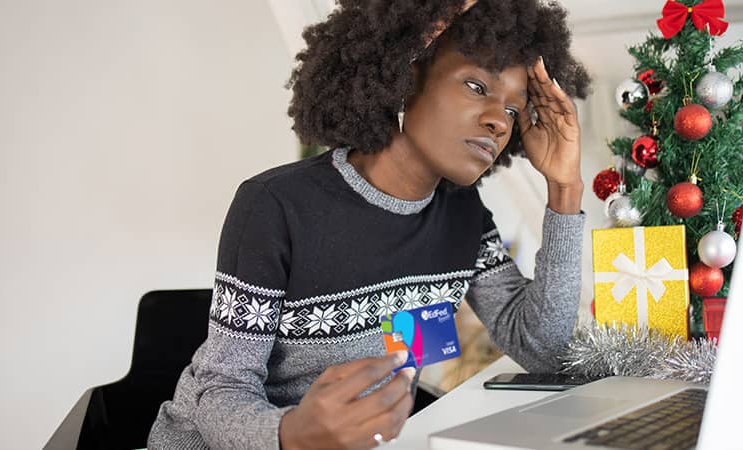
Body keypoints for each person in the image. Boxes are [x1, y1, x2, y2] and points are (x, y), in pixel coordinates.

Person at [148, 0, 590, 448]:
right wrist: (293, 434)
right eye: (476, 86)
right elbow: (220, 390)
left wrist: (565, 189)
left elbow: (542, 349)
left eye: (514, 111)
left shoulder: (463, 216)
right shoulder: (277, 205)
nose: (499, 121)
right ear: (405, 75)